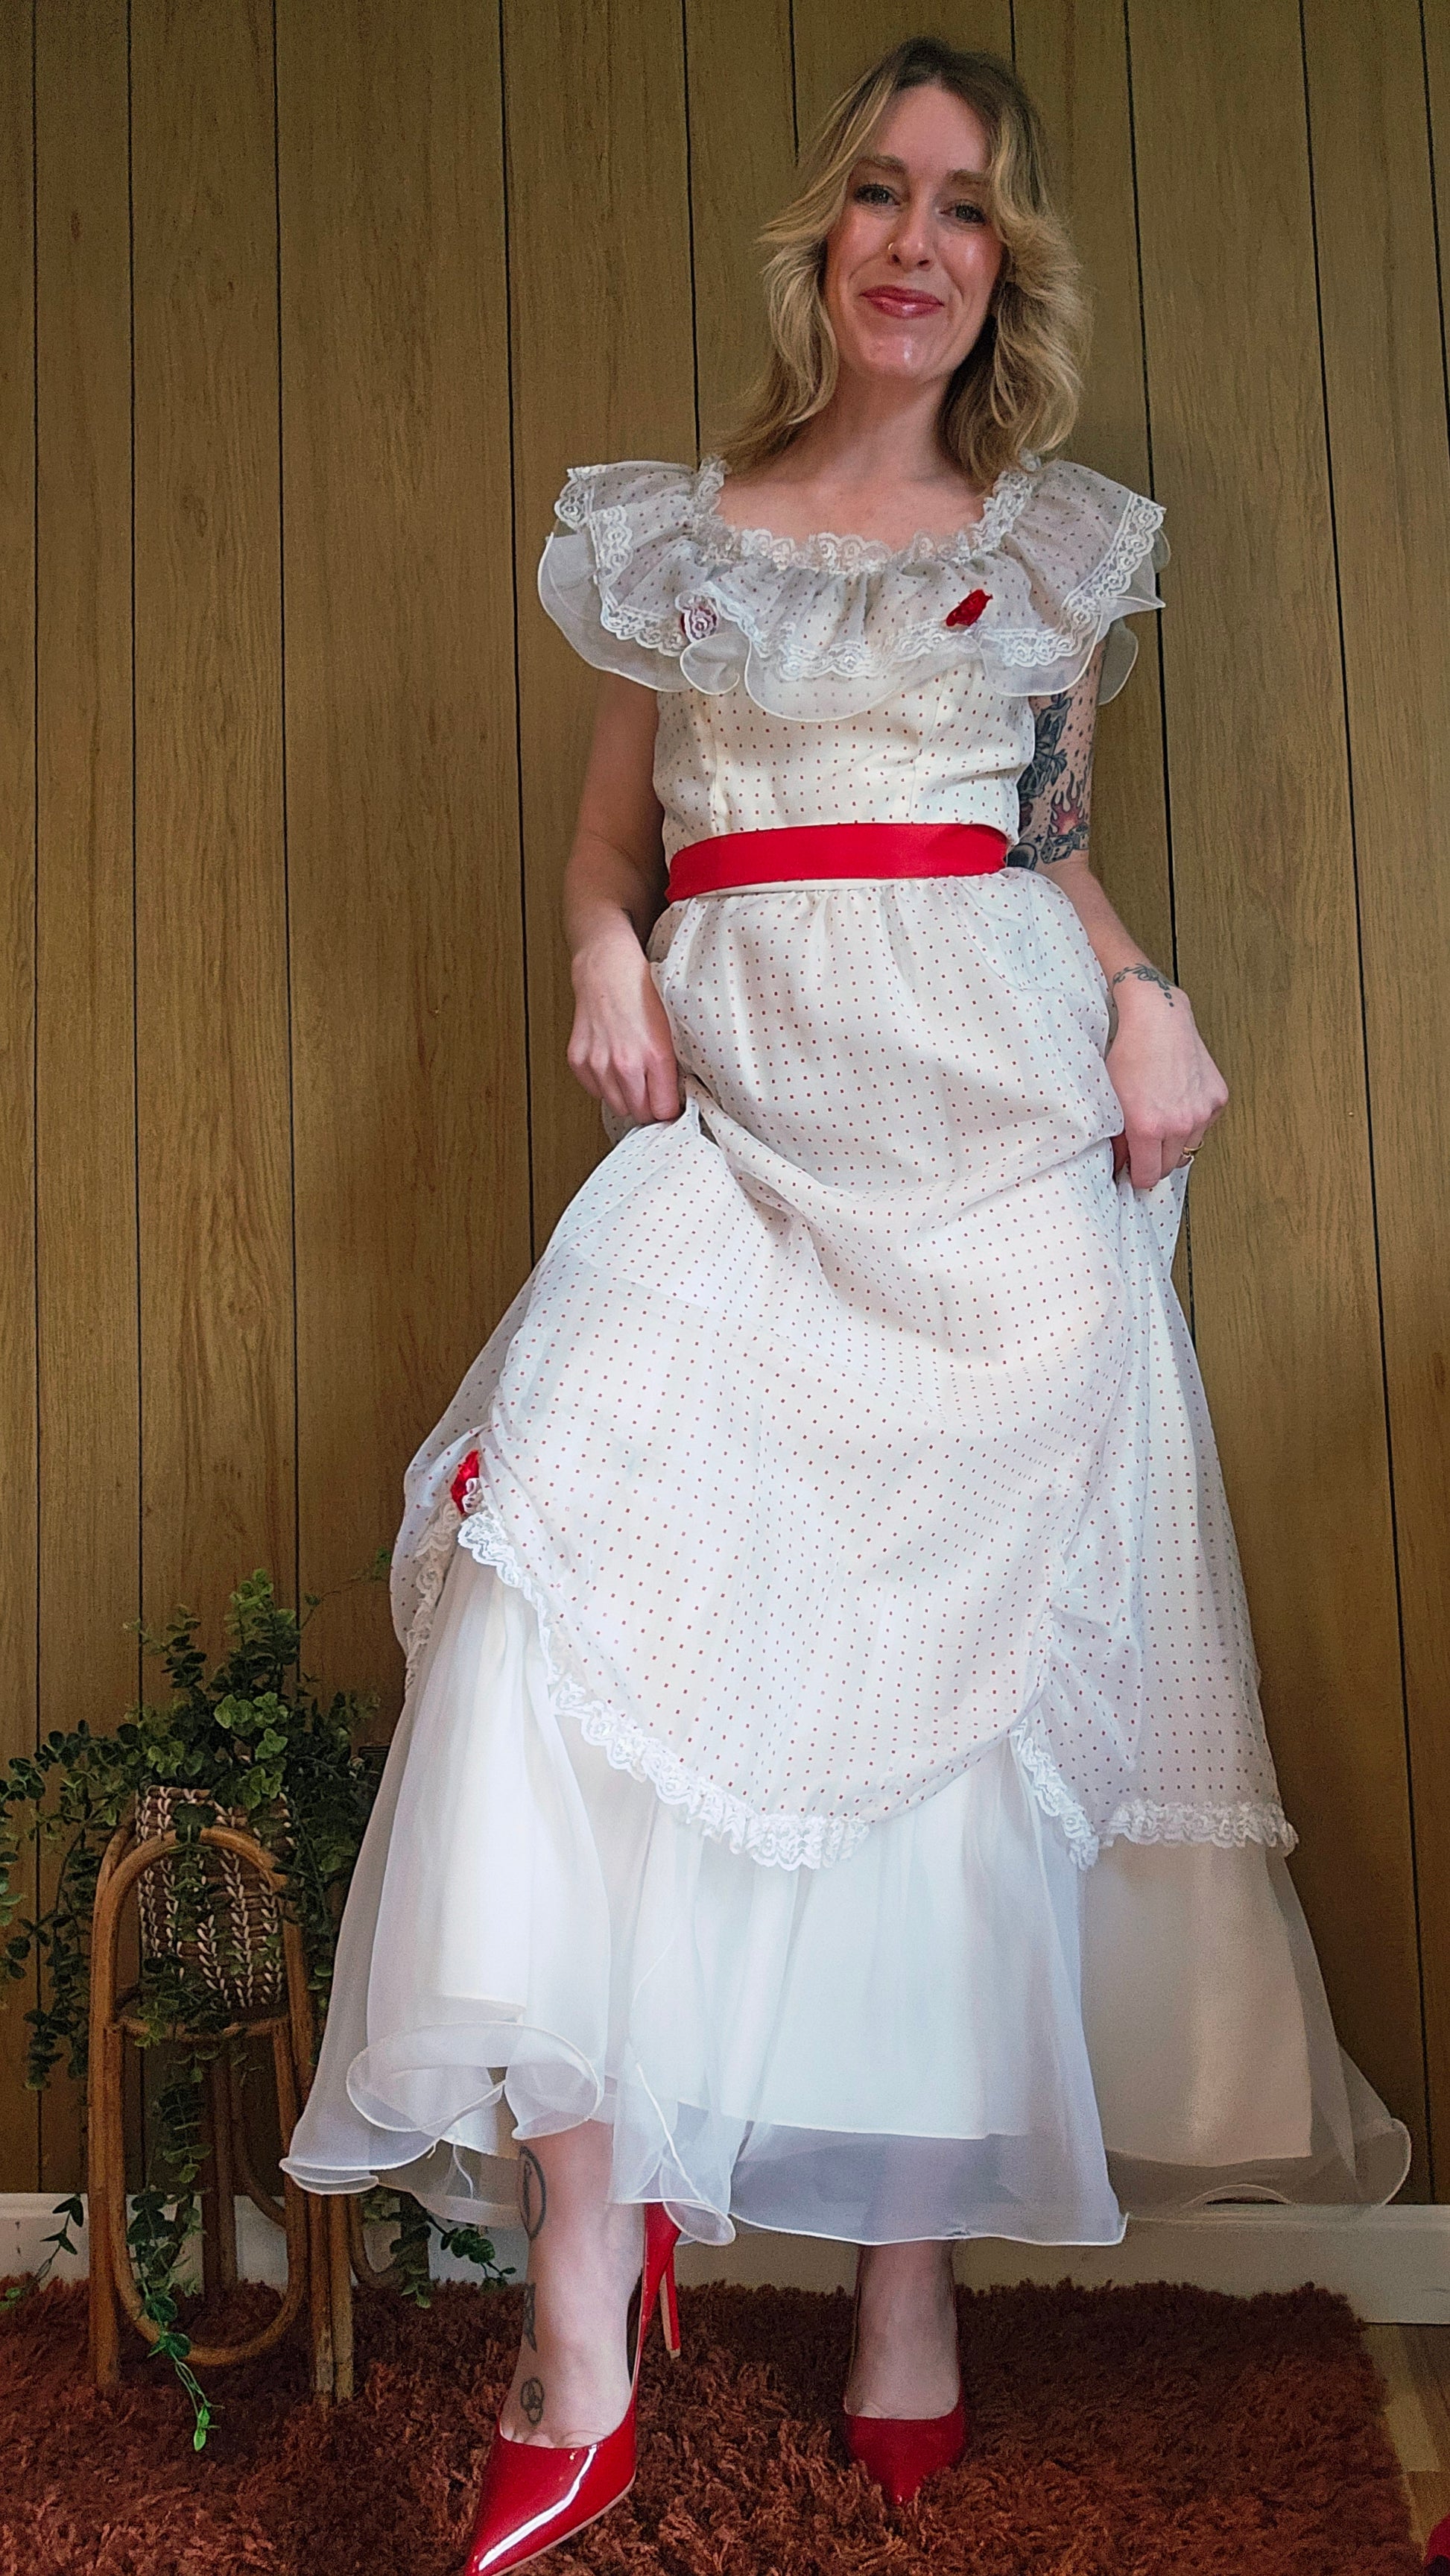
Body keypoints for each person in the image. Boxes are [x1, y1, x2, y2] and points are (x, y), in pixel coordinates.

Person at [282, 36, 1410, 2570]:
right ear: (822, 234)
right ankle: (582, 2310)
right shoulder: (669, 542)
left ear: (1007, 266)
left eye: (967, 207)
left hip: (991, 1142)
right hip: (742, 1139)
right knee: (551, 1569)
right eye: (883, 194)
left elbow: (1043, 843)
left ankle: (909, 2277)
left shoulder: (1056, 549)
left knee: (955, 1719)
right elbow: (606, 852)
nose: (918, 240)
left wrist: (1142, 994)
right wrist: (607, 959)